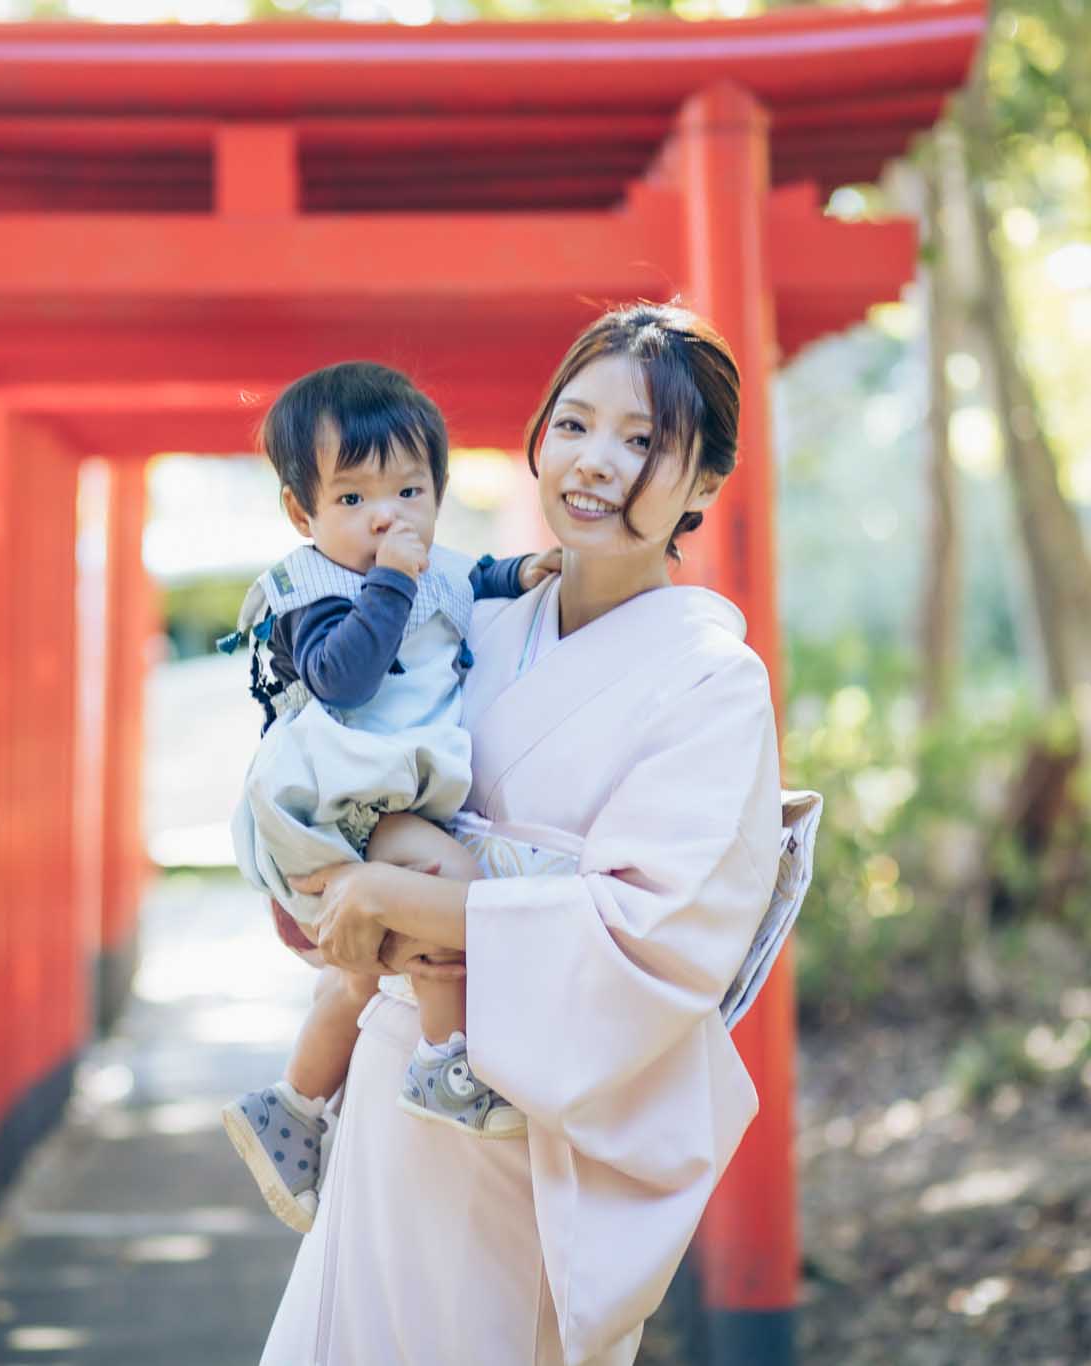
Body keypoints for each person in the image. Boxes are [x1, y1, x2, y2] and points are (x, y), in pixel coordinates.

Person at [260, 302, 813, 1365]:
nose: (595, 461)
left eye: (644, 440)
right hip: (392, 1083)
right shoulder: (463, 618)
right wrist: (328, 887)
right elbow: (339, 770)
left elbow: (651, 936)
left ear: (704, 483)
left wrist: (402, 900)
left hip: (523, 1121)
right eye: (573, 423)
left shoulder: (711, 681)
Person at [218, 362, 562, 1234]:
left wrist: (528, 573)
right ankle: (449, 1065)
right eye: (353, 498)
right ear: (304, 514)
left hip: (377, 799)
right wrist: (392, 582)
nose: (386, 516)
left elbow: (477, 576)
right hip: (334, 799)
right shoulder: (313, 592)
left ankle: (291, 1109)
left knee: (363, 974)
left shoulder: (430, 566)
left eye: (409, 489)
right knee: (451, 886)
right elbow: (342, 679)